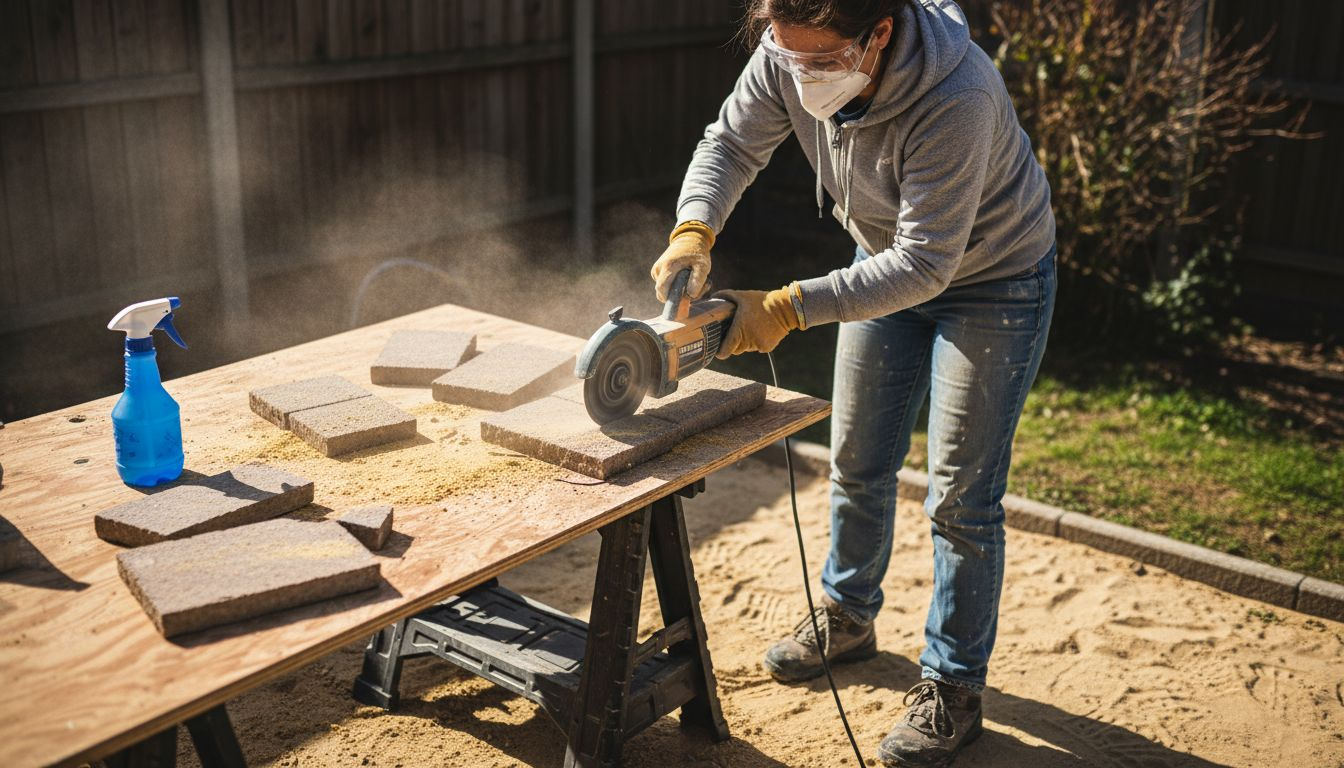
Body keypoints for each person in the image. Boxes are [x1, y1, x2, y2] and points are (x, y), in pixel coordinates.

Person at [650, 1, 1057, 765]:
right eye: (785, 54)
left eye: (819, 61)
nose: (798, 74)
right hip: (880, 266)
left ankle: (954, 687)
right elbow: (731, 142)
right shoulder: (789, 50)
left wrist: (785, 308)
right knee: (857, 459)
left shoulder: (957, 92)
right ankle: (848, 613)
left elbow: (927, 263)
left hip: (993, 281)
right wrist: (693, 228)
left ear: (879, 35)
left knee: (962, 498)